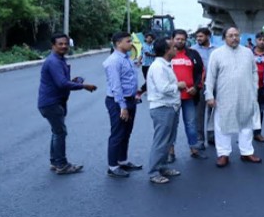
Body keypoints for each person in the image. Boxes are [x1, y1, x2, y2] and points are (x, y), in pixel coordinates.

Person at [38, 33, 97, 175]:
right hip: (51, 103)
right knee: (60, 132)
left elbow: (62, 81)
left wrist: (75, 81)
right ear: (53, 45)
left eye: (65, 44)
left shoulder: (59, 60)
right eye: (60, 44)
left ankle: (55, 161)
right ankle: (62, 165)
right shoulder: (53, 61)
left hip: (55, 102)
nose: (64, 46)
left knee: (56, 132)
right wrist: (84, 86)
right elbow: (62, 83)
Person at [205, 27, 262, 168]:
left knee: (246, 124)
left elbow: (254, 71)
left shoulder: (248, 52)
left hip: (246, 94)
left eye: (236, 35)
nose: (234, 38)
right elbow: (210, 76)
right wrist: (209, 95)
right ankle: (223, 154)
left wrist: (254, 88)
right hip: (225, 95)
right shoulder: (216, 54)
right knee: (222, 125)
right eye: (230, 35)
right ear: (224, 38)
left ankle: (247, 152)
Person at [146, 38, 186, 184]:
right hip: (163, 107)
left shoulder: (166, 65)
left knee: (168, 140)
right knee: (161, 141)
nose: (176, 48)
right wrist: (178, 85)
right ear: (166, 50)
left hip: (171, 107)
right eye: (173, 47)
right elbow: (163, 88)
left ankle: (162, 166)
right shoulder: (158, 67)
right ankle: (154, 172)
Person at [103, 32, 141, 178]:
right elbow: (115, 86)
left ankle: (122, 160)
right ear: (118, 43)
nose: (131, 43)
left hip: (130, 99)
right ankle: (112, 167)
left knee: (126, 133)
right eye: (128, 41)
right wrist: (122, 106)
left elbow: (130, 78)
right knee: (117, 134)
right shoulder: (113, 61)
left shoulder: (127, 58)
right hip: (118, 101)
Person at [168, 29, 207, 161]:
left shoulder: (193, 54)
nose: (180, 41)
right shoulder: (167, 54)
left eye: (183, 39)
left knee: (191, 123)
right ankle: (170, 151)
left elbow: (201, 72)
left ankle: (194, 149)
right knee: (172, 125)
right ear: (172, 39)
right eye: (177, 39)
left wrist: (196, 87)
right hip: (172, 97)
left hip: (189, 97)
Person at [192, 27, 216, 149]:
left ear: (208, 36)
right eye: (197, 37)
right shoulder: (193, 50)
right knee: (198, 113)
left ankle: (212, 137)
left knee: (213, 113)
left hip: (214, 85)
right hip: (200, 85)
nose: (198, 39)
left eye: (201, 36)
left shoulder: (217, 50)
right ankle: (200, 140)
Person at [252, 31, 264, 143]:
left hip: (263, 87)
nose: (262, 42)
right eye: (260, 39)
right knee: (247, 111)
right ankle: (246, 135)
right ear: (256, 40)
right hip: (249, 87)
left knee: (260, 110)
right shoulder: (248, 53)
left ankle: (257, 133)